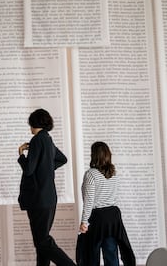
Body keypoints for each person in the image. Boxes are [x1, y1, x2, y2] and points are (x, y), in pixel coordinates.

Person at [17, 108, 76, 266]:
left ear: (34, 123)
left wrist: (21, 154)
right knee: (41, 242)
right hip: (49, 199)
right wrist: (46, 168)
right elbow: (62, 159)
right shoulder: (48, 139)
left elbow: (29, 169)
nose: (30, 127)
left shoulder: (37, 140)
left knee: (42, 241)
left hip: (38, 200)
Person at [78, 141, 135, 266]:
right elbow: (113, 195)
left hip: (97, 218)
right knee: (111, 253)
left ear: (94, 155)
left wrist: (84, 222)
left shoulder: (91, 174)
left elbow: (89, 201)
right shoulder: (113, 173)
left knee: (91, 254)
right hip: (112, 217)